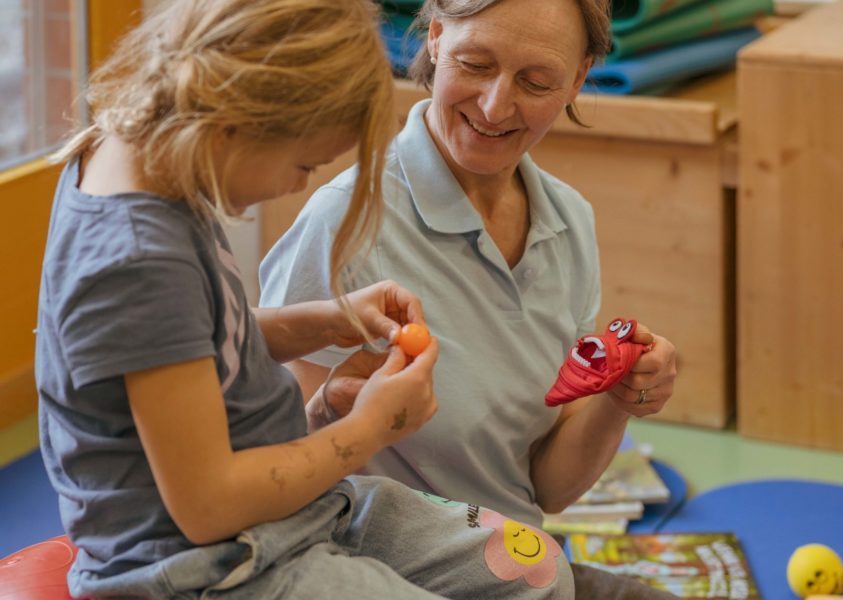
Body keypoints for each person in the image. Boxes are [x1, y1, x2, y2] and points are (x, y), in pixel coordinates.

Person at [35, 0, 575, 597]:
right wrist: (371, 429)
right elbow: (208, 507)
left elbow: (193, 339)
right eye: (304, 163)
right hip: (203, 566)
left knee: (534, 571)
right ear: (243, 115)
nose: (299, 184)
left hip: (287, 515)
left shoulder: (149, 159)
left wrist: (327, 320)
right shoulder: (137, 260)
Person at [260, 0, 678, 597]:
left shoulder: (568, 220)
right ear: (433, 39)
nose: (494, 106)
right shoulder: (343, 221)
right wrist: (341, 411)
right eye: (475, 64)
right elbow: (282, 482)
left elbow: (548, 489)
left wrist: (620, 396)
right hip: (375, 569)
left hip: (517, 563)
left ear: (580, 78)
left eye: (536, 82)